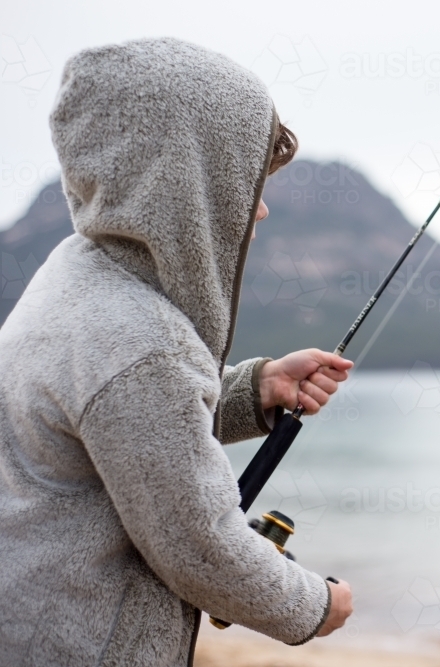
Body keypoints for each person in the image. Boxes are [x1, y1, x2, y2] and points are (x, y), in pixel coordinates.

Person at [0, 38, 353, 666]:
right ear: (190, 183)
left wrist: (253, 388)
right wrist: (317, 605)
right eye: (248, 184)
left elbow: (123, 430)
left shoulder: (75, 278)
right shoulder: (143, 342)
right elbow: (201, 550)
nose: (263, 209)